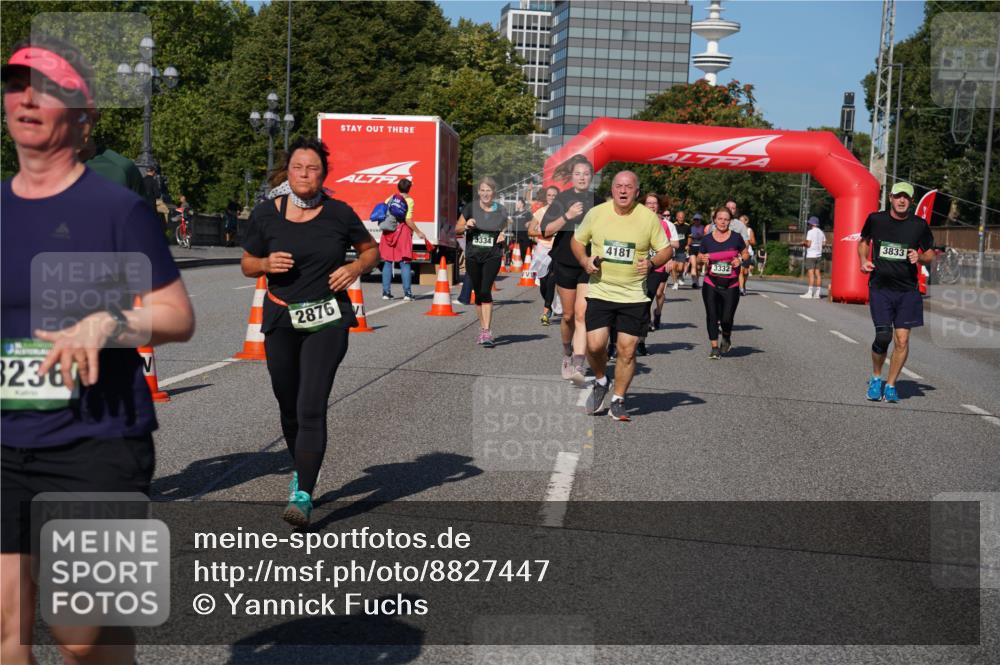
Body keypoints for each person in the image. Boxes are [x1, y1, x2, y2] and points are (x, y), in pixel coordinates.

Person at [1, 37, 195, 665]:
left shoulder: (116, 208)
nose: (28, 99)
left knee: (81, 636)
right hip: (5, 442)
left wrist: (104, 326)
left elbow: (176, 315)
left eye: (49, 89)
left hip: (98, 440)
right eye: (17, 85)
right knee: (7, 633)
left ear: (81, 117)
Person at [241, 137, 378, 524]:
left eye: (313, 168)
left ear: (323, 173)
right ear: (289, 171)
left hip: (328, 319)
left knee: (311, 405)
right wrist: (266, 262)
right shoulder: (267, 213)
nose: (305, 174)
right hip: (282, 318)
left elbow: (371, 251)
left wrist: (354, 269)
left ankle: (302, 492)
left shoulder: (338, 213)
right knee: (288, 405)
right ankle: (302, 467)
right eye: (299, 167)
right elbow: (247, 264)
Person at [572, 171, 671, 421]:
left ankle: (618, 399)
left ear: (637, 192)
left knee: (627, 351)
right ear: (613, 189)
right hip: (601, 290)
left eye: (629, 186)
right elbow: (576, 241)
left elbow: (666, 250)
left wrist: (651, 263)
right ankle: (602, 379)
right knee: (595, 346)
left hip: (634, 295)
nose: (623, 191)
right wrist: (584, 260)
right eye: (619, 186)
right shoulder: (597, 213)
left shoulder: (648, 219)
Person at [858, 181, 934, 403]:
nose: (902, 200)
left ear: (911, 201)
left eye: (906, 197)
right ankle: (876, 378)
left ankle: (890, 385)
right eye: (898, 196)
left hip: (908, 291)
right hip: (881, 287)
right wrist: (863, 260)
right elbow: (864, 241)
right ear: (890, 197)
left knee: (902, 340)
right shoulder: (876, 219)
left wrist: (918, 257)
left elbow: (930, 254)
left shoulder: (919, 225)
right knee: (883, 336)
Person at [541, 154, 601, 385]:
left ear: (591, 177)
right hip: (565, 261)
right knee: (567, 316)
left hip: (588, 263)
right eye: (578, 174)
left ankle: (579, 361)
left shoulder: (599, 202)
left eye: (586, 174)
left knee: (581, 314)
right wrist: (567, 216)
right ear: (572, 177)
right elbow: (545, 230)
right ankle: (567, 353)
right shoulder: (562, 199)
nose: (582, 178)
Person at [456, 176, 508, 347]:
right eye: (483, 190)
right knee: (478, 293)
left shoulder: (500, 210)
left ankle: (486, 331)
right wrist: (466, 225)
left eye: (489, 190)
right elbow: (457, 228)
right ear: (479, 192)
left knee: (486, 290)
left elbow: (505, 225)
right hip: (473, 255)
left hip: (492, 255)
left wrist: (503, 234)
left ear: (494, 192)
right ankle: (482, 328)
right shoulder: (470, 208)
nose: (486, 193)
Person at [698, 206, 750, 359]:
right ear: (714, 220)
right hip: (711, 283)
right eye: (720, 219)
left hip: (731, 284)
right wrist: (703, 258)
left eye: (726, 219)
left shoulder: (736, 237)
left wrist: (739, 260)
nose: (722, 222)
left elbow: (745, 254)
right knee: (712, 315)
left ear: (730, 221)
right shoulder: (707, 239)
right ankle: (714, 347)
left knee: (727, 318)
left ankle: (726, 336)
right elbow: (701, 255)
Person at [638, 193, 679, 355]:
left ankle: (641, 341)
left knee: (646, 302)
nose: (652, 206)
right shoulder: (635, 220)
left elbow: (675, 243)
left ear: (659, 206)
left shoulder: (666, 225)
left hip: (656, 267)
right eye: (648, 203)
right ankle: (615, 342)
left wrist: (665, 251)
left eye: (654, 203)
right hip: (636, 266)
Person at [379, 178, 425, 301]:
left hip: (388, 232)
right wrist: (418, 232)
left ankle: (386, 292)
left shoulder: (390, 198)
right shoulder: (409, 200)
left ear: (398, 187)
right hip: (402, 232)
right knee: (405, 262)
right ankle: (407, 293)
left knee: (388, 262)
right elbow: (408, 219)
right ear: (409, 188)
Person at [529, 185, 559, 325]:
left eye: (554, 195)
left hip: (557, 250)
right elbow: (530, 231)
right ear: (546, 197)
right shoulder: (540, 212)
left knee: (552, 280)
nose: (552, 197)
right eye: (549, 195)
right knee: (544, 283)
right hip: (542, 250)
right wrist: (546, 233)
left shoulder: (563, 213)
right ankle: (549, 304)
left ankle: (546, 311)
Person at [800, 216, 824, 298]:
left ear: (812, 224)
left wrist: (803, 243)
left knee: (811, 274)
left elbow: (809, 244)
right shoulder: (821, 232)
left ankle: (810, 293)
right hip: (819, 255)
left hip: (811, 255)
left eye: (810, 223)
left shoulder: (810, 232)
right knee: (818, 274)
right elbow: (824, 243)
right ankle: (817, 294)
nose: (809, 224)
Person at [670, 210, 690, 289]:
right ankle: (675, 283)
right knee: (673, 267)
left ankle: (680, 275)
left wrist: (688, 245)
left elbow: (689, 237)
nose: (681, 219)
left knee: (681, 268)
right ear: (677, 217)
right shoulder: (672, 225)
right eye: (680, 217)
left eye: (682, 217)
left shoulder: (687, 226)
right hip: (674, 250)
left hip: (682, 249)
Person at [738, 214, 756, 295]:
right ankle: (741, 289)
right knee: (740, 271)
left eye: (742, 221)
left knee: (745, 272)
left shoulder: (749, 230)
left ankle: (743, 285)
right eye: (739, 221)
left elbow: (754, 242)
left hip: (748, 253)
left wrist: (746, 239)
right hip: (738, 252)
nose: (740, 222)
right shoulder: (736, 230)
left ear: (746, 221)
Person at [687, 212, 706, 288]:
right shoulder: (691, 228)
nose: (696, 221)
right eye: (695, 219)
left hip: (700, 248)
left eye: (698, 219)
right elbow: (689, 237)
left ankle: (697, 280)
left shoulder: (703, 227)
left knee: (698, 267)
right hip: (692, 247)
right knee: (694, 265)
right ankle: (694, 282)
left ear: (700, 220)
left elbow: (704, 236)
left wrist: (701, 235)